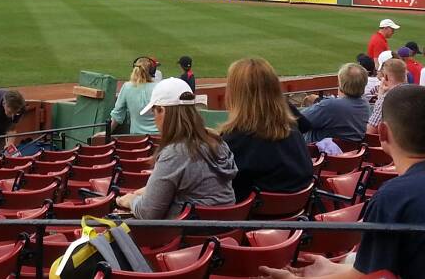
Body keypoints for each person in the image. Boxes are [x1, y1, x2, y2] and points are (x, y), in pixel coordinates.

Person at [260, 85, 425, 278]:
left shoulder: (394, 198)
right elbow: (369, 270)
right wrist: (333, 269)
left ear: (383, 132)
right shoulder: (397, 197)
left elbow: (368, 276)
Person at [116, 78, 237, 218]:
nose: (154, 119)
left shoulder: (175, 152)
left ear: (161, 110)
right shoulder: (217, 141)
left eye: (154, 111)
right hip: (226, 233)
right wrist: (149, 191)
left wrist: (131, 201)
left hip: (190, 236)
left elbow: (148, 213)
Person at [219, 58, 314, 202]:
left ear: (235, 94)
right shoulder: (293, 129)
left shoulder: (233, 141)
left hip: (253, 220)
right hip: (298, 219)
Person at [301, 63, 370, 143]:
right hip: (349, 152)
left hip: (317, 153)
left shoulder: (330, 106)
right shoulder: (365, 105)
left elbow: (298, 120)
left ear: (341, 83)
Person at [109, 57, 161, 136]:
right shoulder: (160, 87)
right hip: (159, 138)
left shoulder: (127, 87)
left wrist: (106, 133)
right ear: (152, 71)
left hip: (137, 139)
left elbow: (117, 115)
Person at [366, 58, 408, 136]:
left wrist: (380, 98)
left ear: (386, 76)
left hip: (395, 144)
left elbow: (370, 131)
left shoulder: (386, 99)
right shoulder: (417, 93)